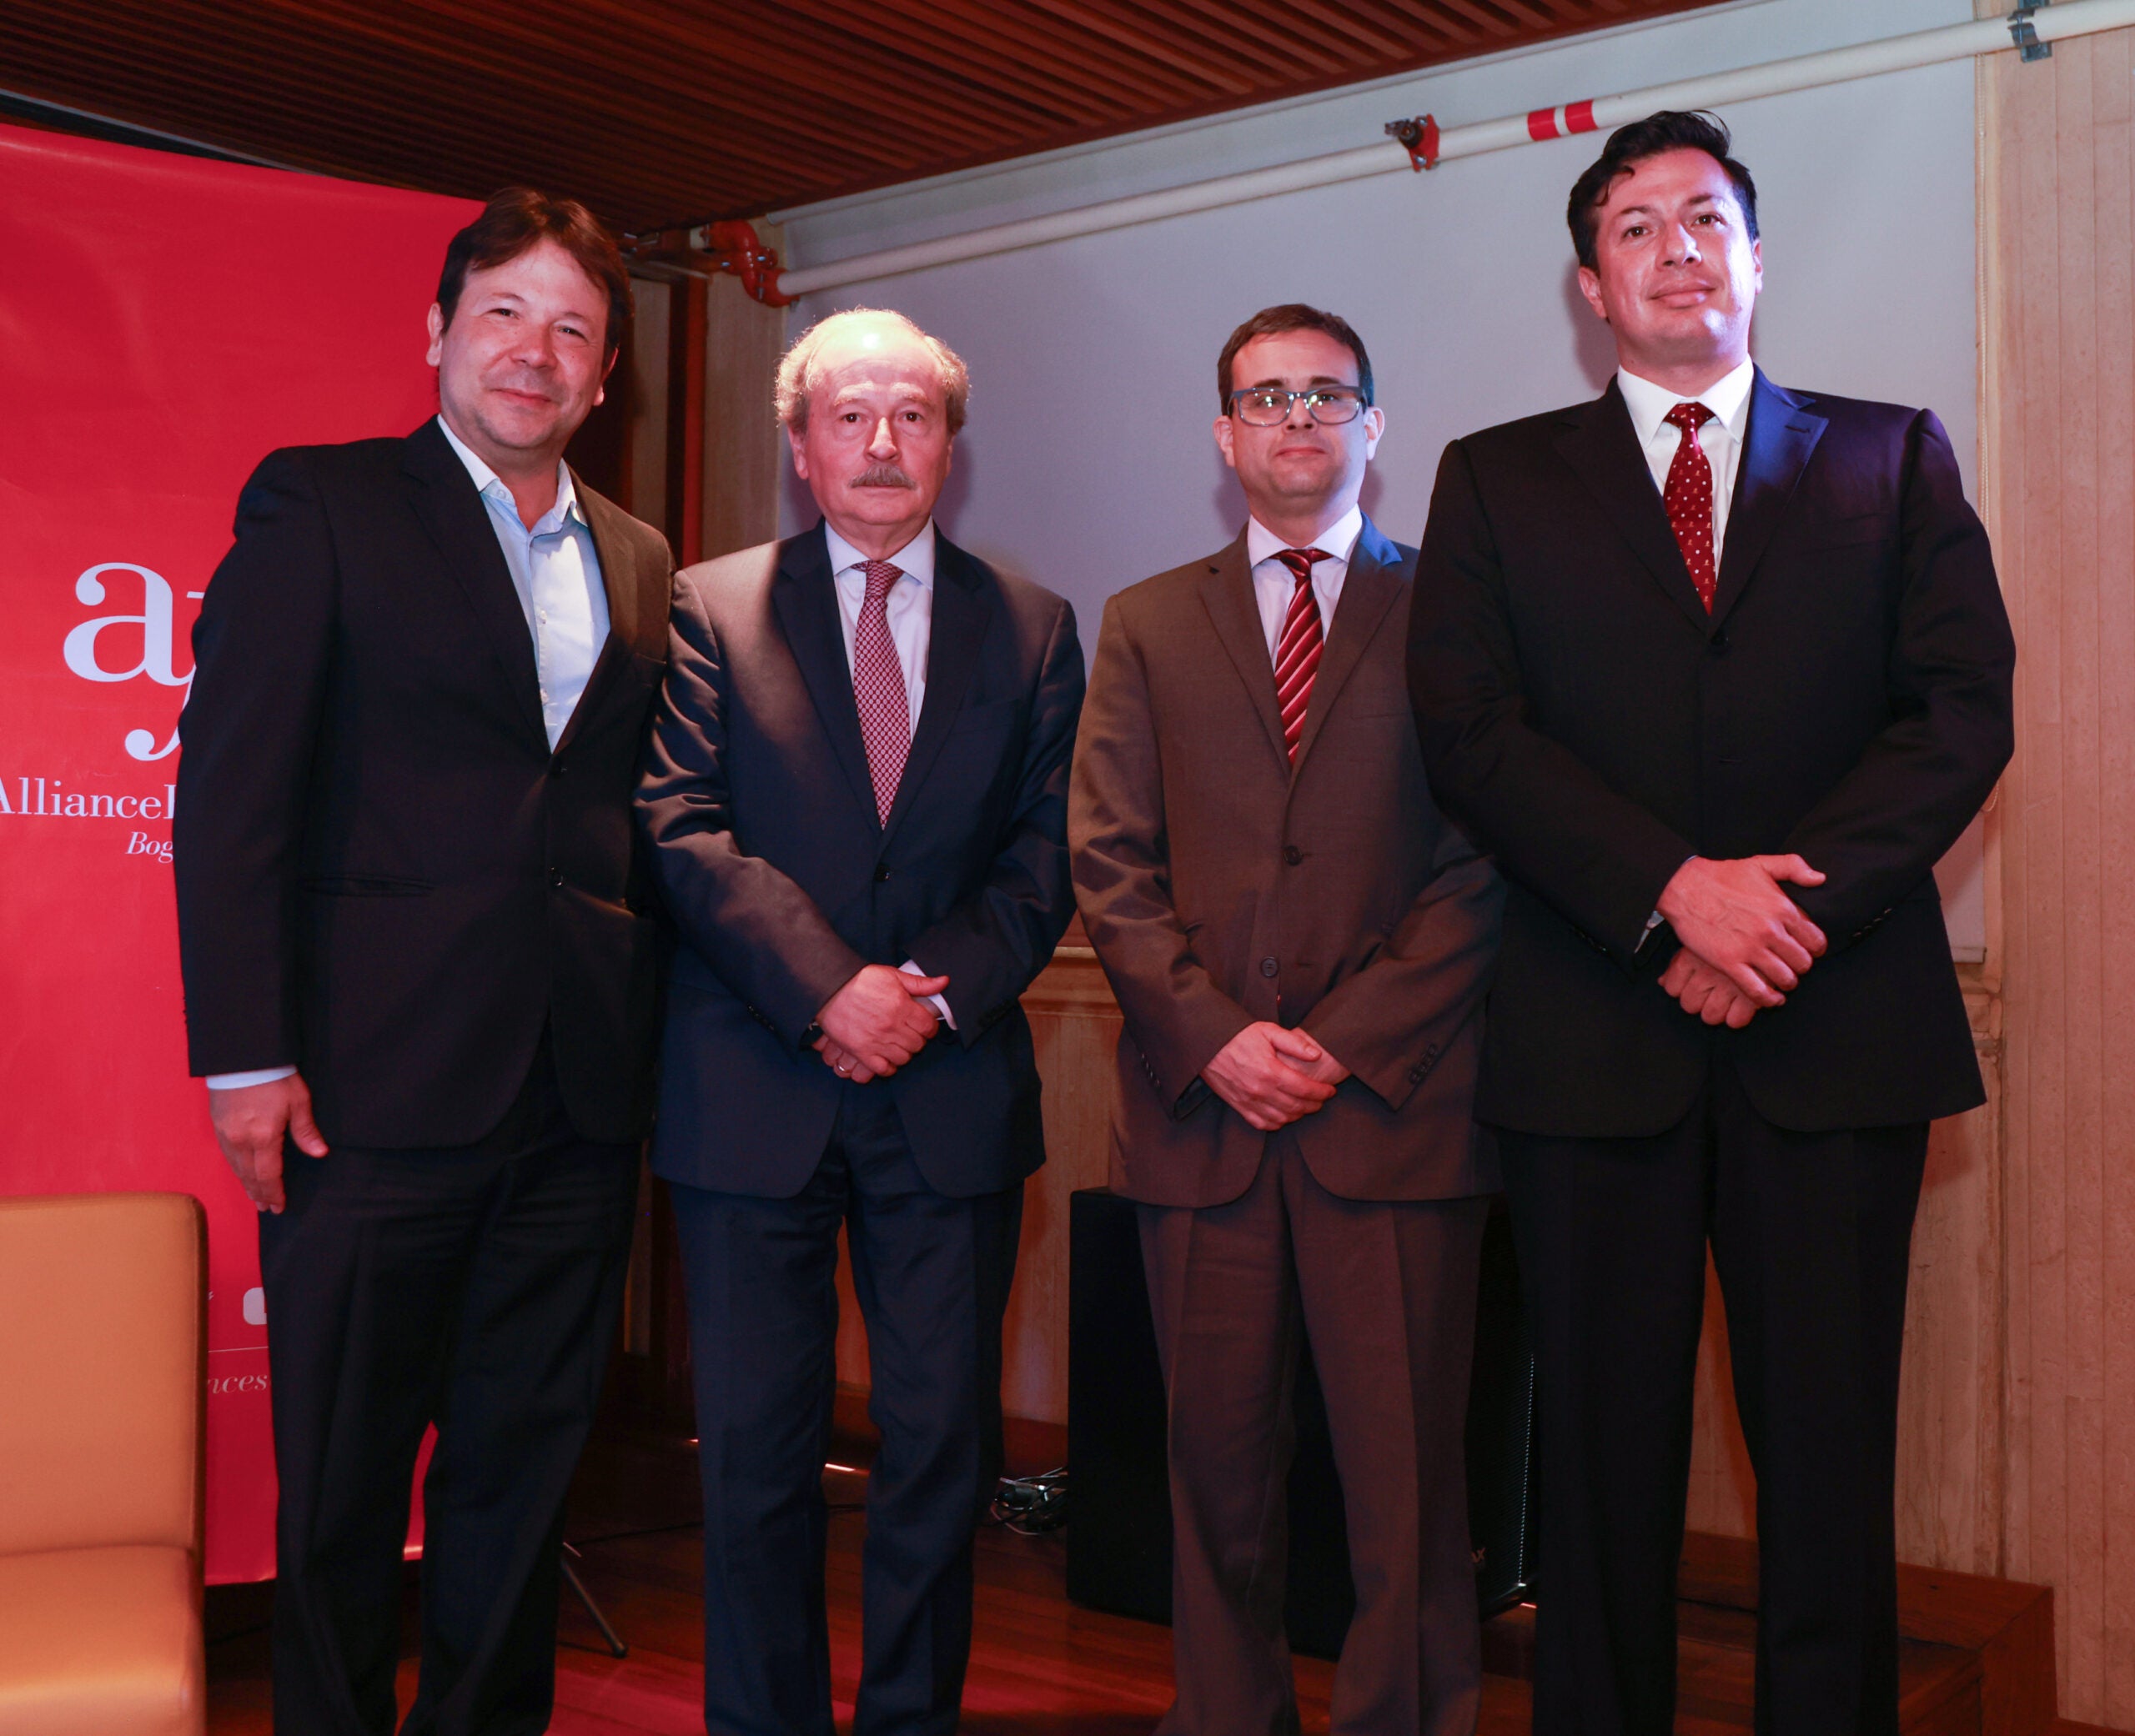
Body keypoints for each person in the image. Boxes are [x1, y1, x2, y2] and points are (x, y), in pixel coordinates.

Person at [1407, 112, 2016, 1736]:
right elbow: (1469, 735)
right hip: (1588, 1043)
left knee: (1827, 1466)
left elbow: (1957, 714)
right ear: (1589, 285)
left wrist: (1774, 913)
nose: (1673, 247)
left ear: (1754, 257)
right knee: (1594, 1471)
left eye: (1702, 219)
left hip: (1830, 1037)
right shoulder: (1492, 480)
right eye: (1632, 227)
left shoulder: (1888, 458)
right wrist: (1667, 893)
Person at [173, 188, 673, 1736]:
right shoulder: (321, 503)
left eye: (574, 328)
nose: (537, 349)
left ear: (603, 379)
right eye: (507, 312)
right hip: (366, 1094)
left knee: (520, 1487)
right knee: (339, 1489)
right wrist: (245, 1056)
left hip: (577, 1105)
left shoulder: (646, 558)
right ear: (440, 331)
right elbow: (234, 790)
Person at [637, 307, 1084, 1736]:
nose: (882, 443)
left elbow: (1046, 853)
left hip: (948, 1096)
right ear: (800, 445)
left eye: (912, 416)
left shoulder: (1033, 626)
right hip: (752, 1088)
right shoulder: (707, 605)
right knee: (756, 1458)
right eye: (850, 416)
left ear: (950, 442)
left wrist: (923, 995)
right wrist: (833, 986)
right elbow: (680, 825)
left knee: (941, 1452)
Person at [1071, 304, 1504, 1736]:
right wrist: (1218, 1040)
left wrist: (1345, 1040)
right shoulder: (1142, 621)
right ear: (1224, 435)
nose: (1298, 419)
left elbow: (1486, 854)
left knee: (1410, 1499)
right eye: (1267, 398)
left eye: (1329, 395)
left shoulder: (1457, 608)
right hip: (1202, 1121)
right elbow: (1109, 863)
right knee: (1217, 1490)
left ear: (1375, 424)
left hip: (1395, 1113)